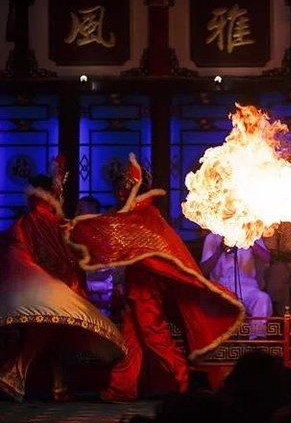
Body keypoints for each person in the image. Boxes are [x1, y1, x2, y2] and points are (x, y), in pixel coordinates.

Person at [66, 153, 244, 402]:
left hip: (146, 288)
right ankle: (122, 387)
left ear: (134, 188)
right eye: (117, 189)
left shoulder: (144, 215)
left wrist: (72, 229)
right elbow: (115, 234)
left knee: (153, 336)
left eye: (123, 188)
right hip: (135, 286)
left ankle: (185, 381)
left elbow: (122, 230)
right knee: (132, 339)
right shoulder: (136, 213)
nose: (118, 194)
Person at [0, 158, 126, 402]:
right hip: (50, 290)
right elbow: (60, 257)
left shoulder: (28, 222)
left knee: (57, 336)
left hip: (40, 290)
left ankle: (58, 385)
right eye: (57, 193)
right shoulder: (47, 222)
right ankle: (13, 374)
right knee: (47, 334)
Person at [201, 234, 273, 339]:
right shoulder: (212, 237)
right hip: (220, 288)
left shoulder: (252, 233)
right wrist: (220, 249)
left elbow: (267, 258)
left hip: (248, 289)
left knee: (262, 298)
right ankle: (219, 343)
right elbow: (204, 270)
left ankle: (256, 341)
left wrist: (249, 240)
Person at [75, 195, 117, 318]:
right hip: (79, 297)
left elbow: (106, 269)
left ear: (92, 212)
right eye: (77, 210)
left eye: (81, 210)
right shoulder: (74, 234)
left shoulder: (103, 236)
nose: (76, 213)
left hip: (100, 297)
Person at [261, 222, 291, 316]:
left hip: (278, 277)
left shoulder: (284, 229)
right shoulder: (254, 231)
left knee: (281, 314)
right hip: (255, 277)